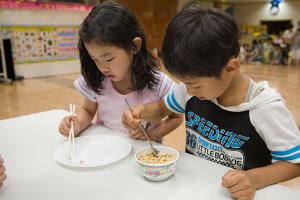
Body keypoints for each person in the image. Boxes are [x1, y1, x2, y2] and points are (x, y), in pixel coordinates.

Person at [123, 7, 300, 200]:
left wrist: (254, 179)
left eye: (195, 85)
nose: (188, 91)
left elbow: (294, 163)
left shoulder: (265, 108)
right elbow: (162, 108)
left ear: (231, 67)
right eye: (185, 83)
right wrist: (142, 111)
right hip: (195, 186)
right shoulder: (190, 89)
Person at [58, 2, 182, 141]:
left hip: (143, 153)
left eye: (109, 59)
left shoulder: (158, 82)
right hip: (107, 148)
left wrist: (153, 135)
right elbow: (88, 110)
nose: (102, 68)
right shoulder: (97, 78)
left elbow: (176, 117)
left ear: (135, 46)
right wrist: (77, 125)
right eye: (95, 60)